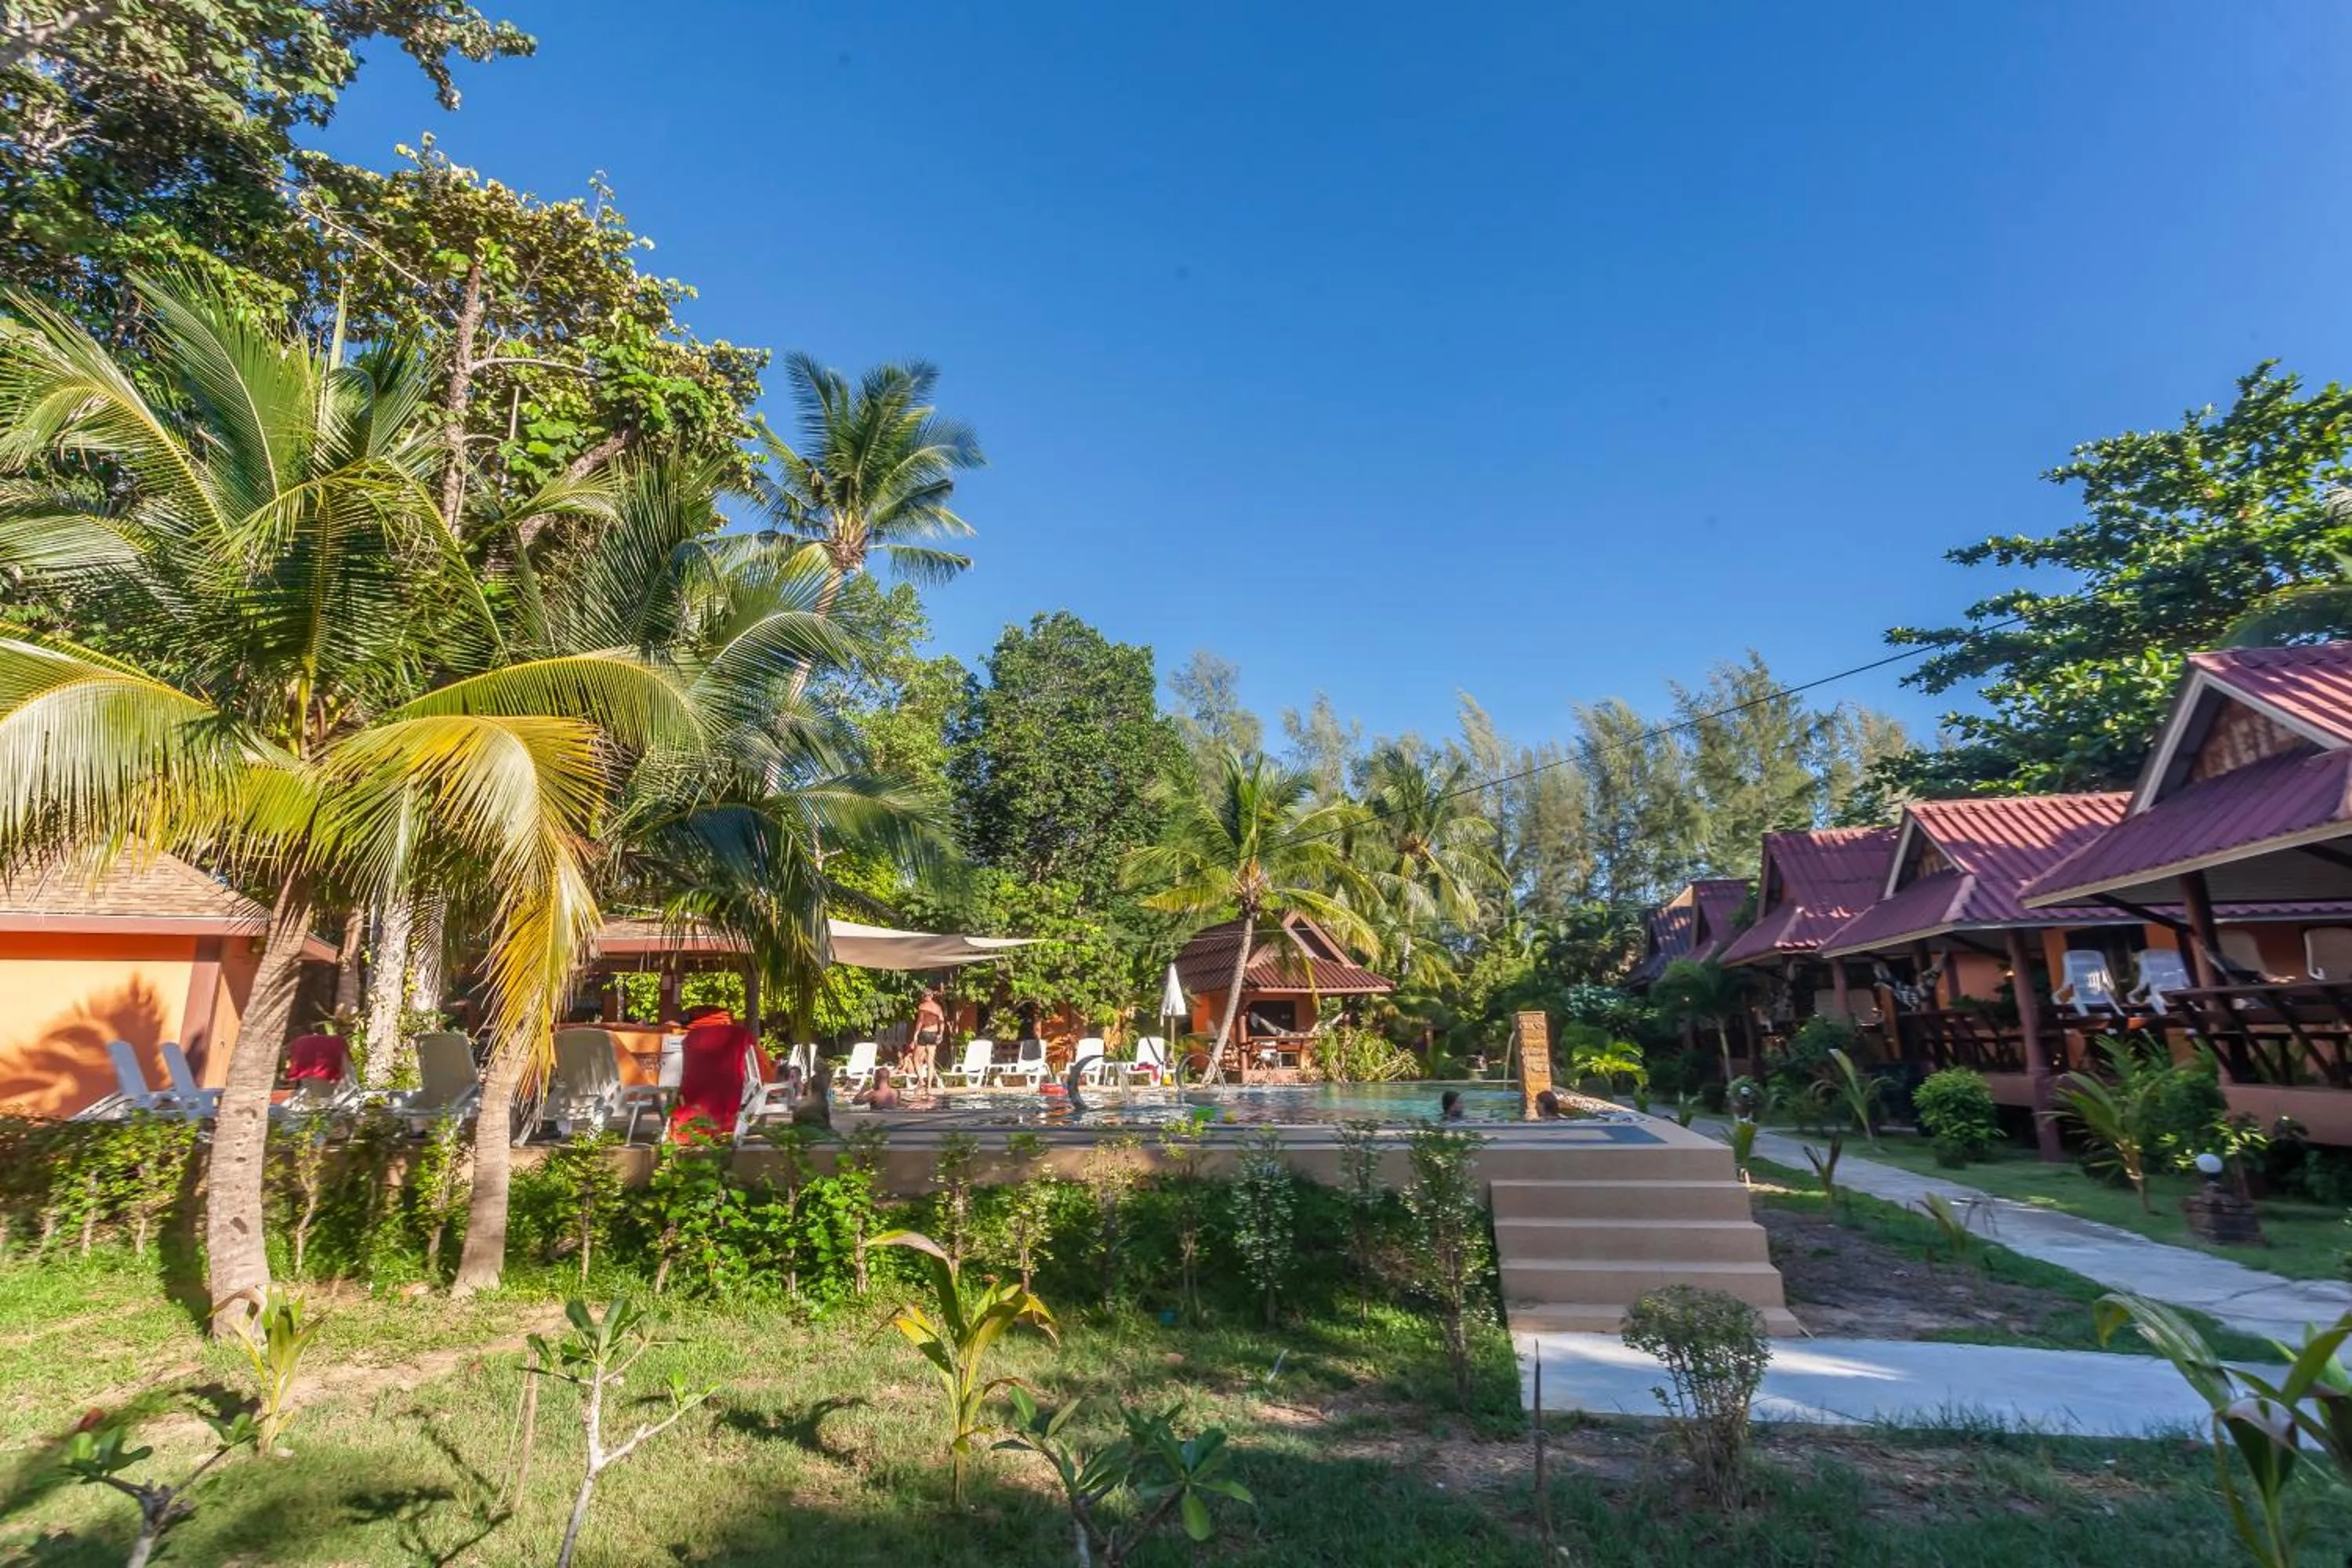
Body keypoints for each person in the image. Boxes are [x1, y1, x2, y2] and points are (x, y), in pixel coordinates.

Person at [667, 1004, 766, 1142]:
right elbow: (760, 1070)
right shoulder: (738, 1035)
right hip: (726, 1097)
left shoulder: (691, 1038)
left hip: (693, 1099)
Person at [912, 988, 947, 1086]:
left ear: (924, 996)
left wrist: (916, 1034)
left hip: (924, 1033)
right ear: (932, 996)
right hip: (934, 1034)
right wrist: (941, 1034)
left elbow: (920, 1021)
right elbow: (942, 1021)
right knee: (930, 1062)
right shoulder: (938, 1008)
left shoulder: (923, 1006)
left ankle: (922, 1080)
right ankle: (929, 1086)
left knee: (916, 1059)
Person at [792, 1062, 834, 1127]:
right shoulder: (822, 1078)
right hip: (818, 1101)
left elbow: (805, 1092)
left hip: (815, 1102)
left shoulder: (817, 1079)